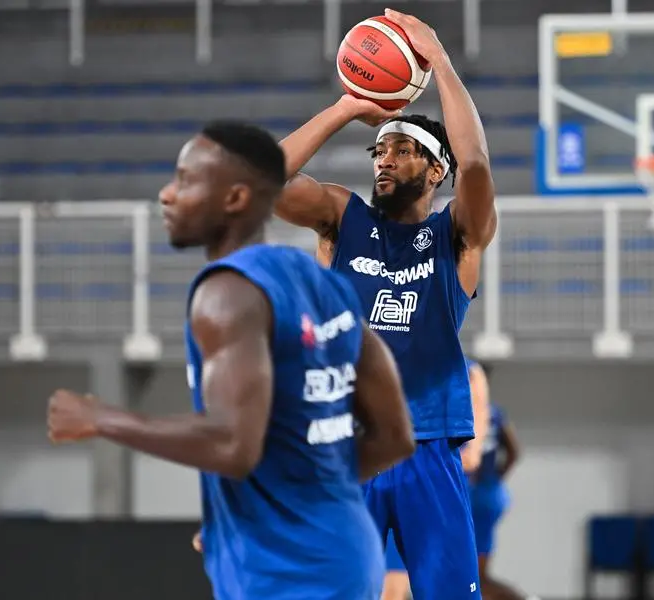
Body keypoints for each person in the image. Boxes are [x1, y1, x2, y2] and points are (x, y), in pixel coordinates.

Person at [45, 121, 416, 600]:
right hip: (344, 552)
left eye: (184, 180)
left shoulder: (227, 294)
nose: (167, 194)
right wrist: (278, 497)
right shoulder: (316, 278)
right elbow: (395, 436)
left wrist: (101, 418)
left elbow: (231, 444)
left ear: (236, 198)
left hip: (287, 571)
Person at [274, 8, 497, 598]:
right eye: (378, 151)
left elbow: (477, 164)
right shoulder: (341, 219)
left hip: (431, 448)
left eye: (400, 150)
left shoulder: (456, 237)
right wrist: (348, 106)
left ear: (436, 170)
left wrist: (440, 63)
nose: (384, 160)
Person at [380, 358, 491, 600]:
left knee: (394, 590)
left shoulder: (467, 371)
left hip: (428, 488)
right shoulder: (375, 356)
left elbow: (472, 457)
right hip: (379, 479)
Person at [468, 363, 527, 600]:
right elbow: (514, 452)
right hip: (490, 494)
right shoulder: (495, 412)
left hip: (472, 496)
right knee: (474, 575)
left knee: (474, 577)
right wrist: (494, 480)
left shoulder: (461, 413)